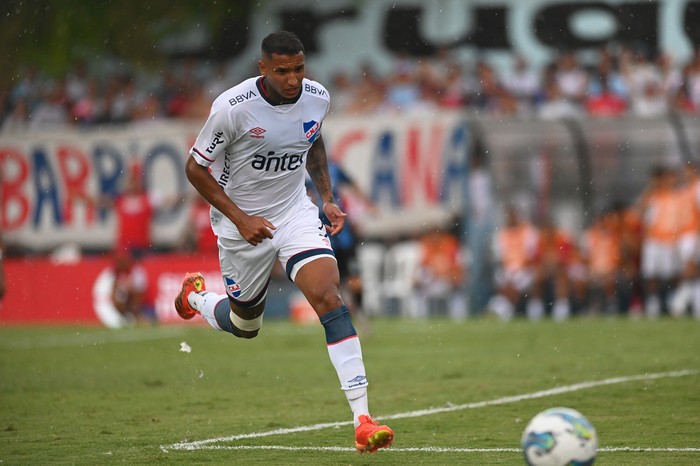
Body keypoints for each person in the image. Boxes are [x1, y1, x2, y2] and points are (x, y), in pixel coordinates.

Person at [173, 31, 394, 454]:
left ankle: (363, 420)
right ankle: (196, 298)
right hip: (240, 224)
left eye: (298, 69)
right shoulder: (231, 110)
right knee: (245, 325)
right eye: (282, 71)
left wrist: (327, 198)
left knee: (328, 295)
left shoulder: (317, 97)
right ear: (263, 68)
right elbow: (194, 168)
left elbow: (313, 141)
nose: (293, 80)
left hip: (295, 211)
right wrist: (240, 218)